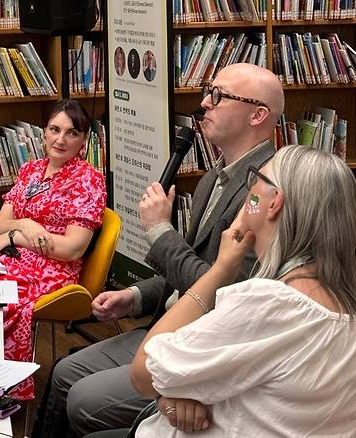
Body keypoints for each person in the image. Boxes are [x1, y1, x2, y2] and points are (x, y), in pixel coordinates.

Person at [38, 63, 284, 436]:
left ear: (258, 114)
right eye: (207, 91)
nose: (204, 103)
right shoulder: (214, 177)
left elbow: (223, 296)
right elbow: (188, 270)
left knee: (83, 398)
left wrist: (158, 230)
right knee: (63, 371)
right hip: (166, 324)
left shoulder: (265, 191)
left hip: (203, 345)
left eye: (218, 96)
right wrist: (135, 296)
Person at [121, 145, 356, 437]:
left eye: (255, 181)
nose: (249, 192)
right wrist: (174, 396)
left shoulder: (272, 303)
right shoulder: (350, 309)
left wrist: (221, 269)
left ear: (274, 202)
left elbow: (144, 371)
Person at [0, 99, 106, 400]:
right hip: (14, 258)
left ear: (84, 139)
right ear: (43, 132)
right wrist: (26, 226)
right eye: (54, 129)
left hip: (53, 269)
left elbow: (71, 249)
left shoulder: (89, 181)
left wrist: (16, 237)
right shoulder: (30, 169)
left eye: (72, 133)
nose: (60, 139)